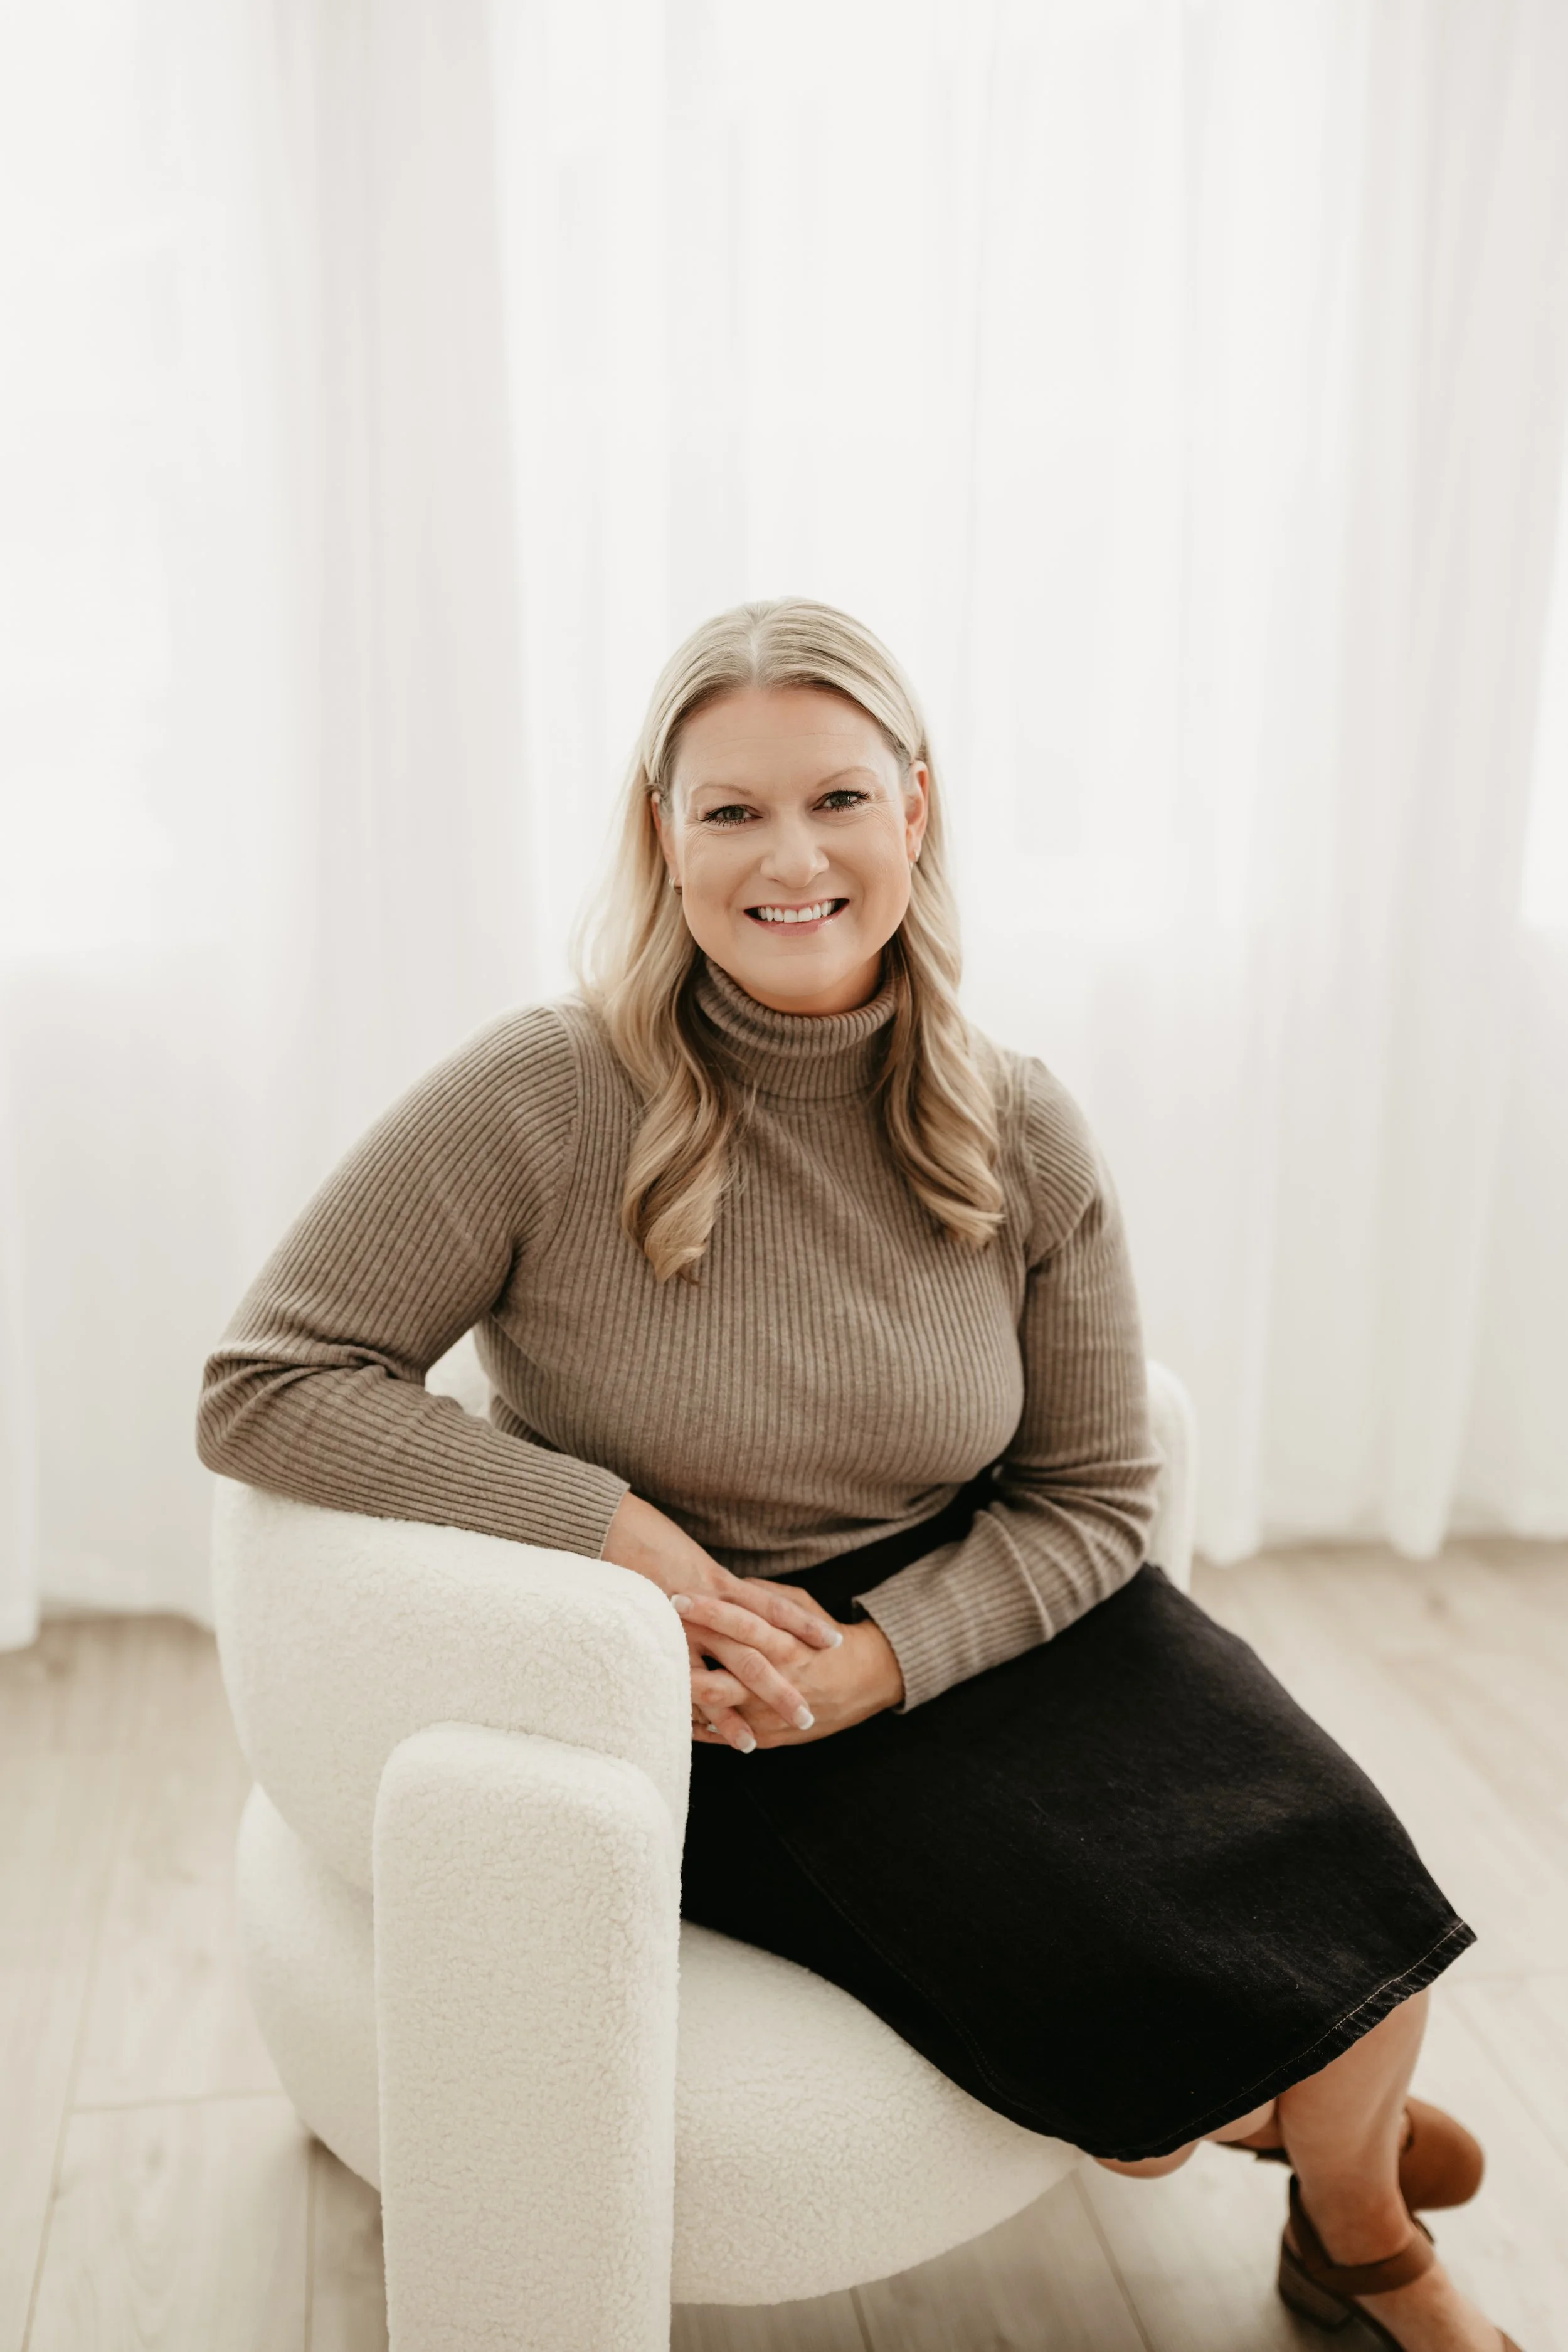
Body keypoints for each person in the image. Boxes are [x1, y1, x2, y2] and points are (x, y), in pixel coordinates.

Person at [198, 598, 1517, 2351]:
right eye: (728, 809)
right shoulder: (539, 1091)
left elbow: (1100, 1495)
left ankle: (1323, 2187)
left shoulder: (1014, 1113)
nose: (788, 854)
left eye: (834, 797)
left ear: (915, 809)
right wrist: (616, 1531)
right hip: (715, 1673)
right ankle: (1345, 2208)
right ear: (661, 841)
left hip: (980, 1608)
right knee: (1161, 1985)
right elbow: (267, 1376)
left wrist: (888, 1656)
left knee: (1354, 1892)